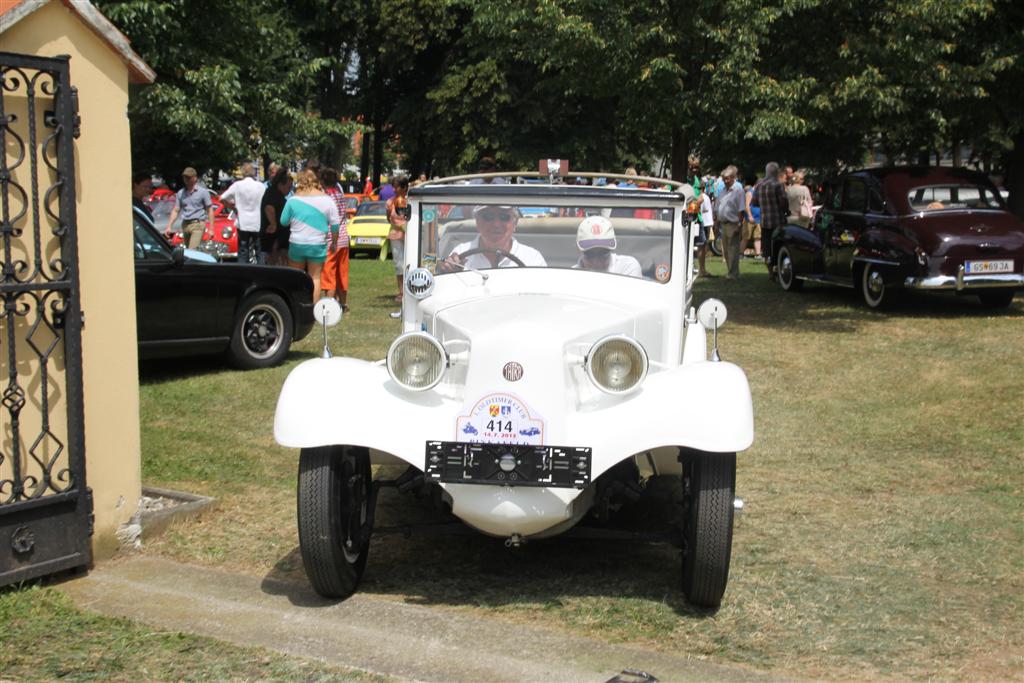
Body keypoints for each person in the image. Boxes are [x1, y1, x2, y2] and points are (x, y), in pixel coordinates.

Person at [279, 169, 340, 301]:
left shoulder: (292, 200)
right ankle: (313, 310)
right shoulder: (327, 199)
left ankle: (296, 306)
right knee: (315, 277)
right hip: (317, 244)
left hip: (297, 243)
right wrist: (334, 242)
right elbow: (335, 224)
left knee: (296, 277)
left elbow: (283, 221)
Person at [440, 205, 546, 272]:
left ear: (515, 223)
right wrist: (450, 271)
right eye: (488, 217)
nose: (496, 224)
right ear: (477, 222)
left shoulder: (532, 259)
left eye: (504, 217)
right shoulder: (460, 252)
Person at [220, 162, 266, 263]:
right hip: (257, 222)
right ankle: (262, 272)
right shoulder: (261, 186)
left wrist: (232, 208)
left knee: (243, 249)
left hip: (243, 221)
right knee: (259, 250)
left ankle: (243, 271)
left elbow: (222, 198)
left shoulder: (237, 185)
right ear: (253, 173)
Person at [320, 167, 352, 310]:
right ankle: (344, 303)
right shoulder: (340, 195)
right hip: (344, 238)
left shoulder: (324, 197)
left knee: (329, 274)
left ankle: (329, 305)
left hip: (330, 239)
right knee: (342, 272)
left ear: (322, 181)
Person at [753, 162, 790, 280]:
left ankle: (770, 273)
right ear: (776, 172)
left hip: (765, 221)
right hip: (778, 221)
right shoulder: (778, 185)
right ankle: (779, 270)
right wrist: (786, 210)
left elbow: (754, 202)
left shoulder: (759, 185)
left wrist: (764, 204)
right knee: (779, 246)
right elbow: (783, 201)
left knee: (767, 248)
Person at [573, 216, 641, 277]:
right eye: (589, 255)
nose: (596, 262)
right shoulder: (571, 274)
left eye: (603, 253)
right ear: (579, 251)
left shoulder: (627, 267)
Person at [164, 167, 213, 249]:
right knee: (188, 251)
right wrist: (169, 226)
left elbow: (210, 210)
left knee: (192, 251)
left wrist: (211, 229)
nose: (186, 179)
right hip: (185, 224)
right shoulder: (180, 193)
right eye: (184, 177)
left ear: (195, 178)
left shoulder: (203, 192)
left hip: (198, 224)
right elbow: (176, 210)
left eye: (188, 177)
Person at [714, 165, 746, 280]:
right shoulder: (722, 191)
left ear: (733, 178)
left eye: (727, 178)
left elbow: (741, 209)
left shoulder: (739, 191)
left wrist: (739, 224)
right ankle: (731, 272)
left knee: (733, 250)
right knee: (726, 251)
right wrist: (716, 223)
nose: (725, 181)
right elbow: (718, 207)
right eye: (723, 179)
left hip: (733, 224)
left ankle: (733, 274)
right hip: (723, 223)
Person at [385, 176, 411, 301]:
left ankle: (412, 289)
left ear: (405, 187)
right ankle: (401, 292)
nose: (394, 190)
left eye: (397, 187)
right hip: (395, 235)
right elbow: (388, 218)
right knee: (399, 264)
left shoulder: (411, 201)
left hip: (410, 236)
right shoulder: (390, 202)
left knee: (411, 262)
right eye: (393, 187)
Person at [260, 168, 292, 265]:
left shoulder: (277, 194)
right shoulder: (273, 194)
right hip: (274, 240)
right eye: (289, 186)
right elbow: (269, 208)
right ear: (280, 185)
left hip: (279, 239)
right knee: (276, 264)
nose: (290, 189)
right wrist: (273, 224)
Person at [744, 181, 762, 258]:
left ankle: (758, 254)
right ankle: (741, 254)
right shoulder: (750, 193)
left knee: (757, 237)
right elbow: (746, 206)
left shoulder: (759, 193)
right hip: (749, 219)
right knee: (746, 237)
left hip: (758, 219)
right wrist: (750, 216)